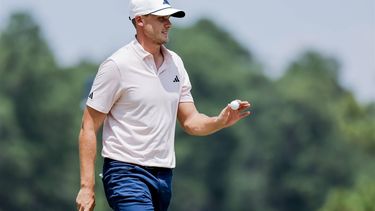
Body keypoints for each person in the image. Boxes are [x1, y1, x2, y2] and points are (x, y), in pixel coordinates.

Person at [75, 0, 251, 210]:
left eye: (168, 18)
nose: (168, 24)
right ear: (140, 20)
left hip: (164, 175)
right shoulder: (117, 66)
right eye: (161, 18)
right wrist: (87, 187)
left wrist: (219, 121)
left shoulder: (175, 64)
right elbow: (88, 126)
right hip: (125, 174)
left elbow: (191, 121)